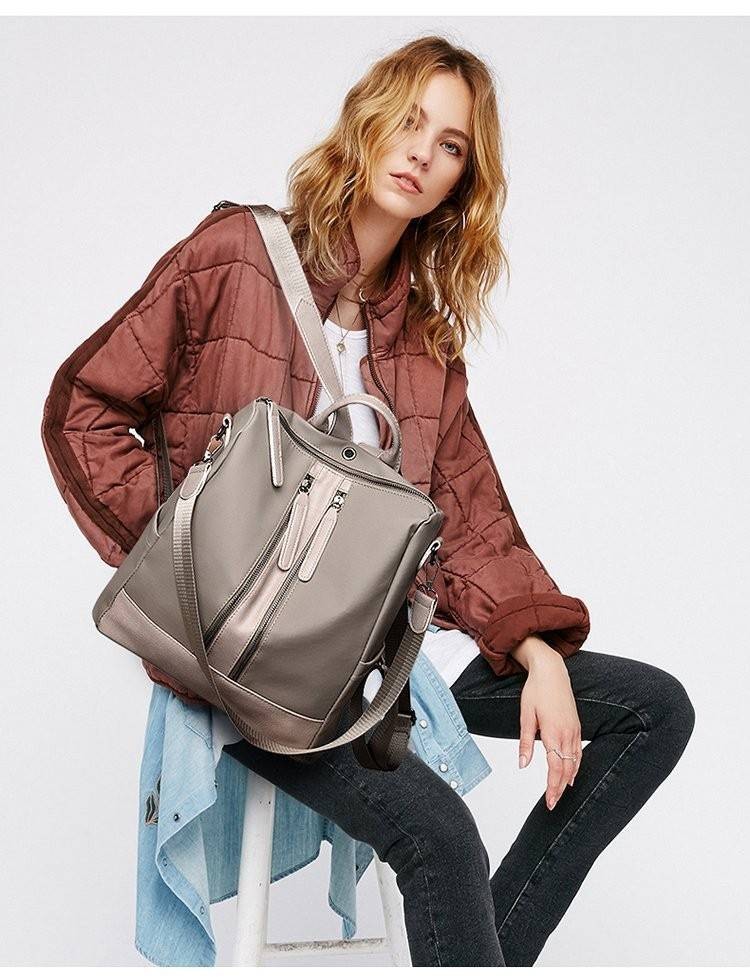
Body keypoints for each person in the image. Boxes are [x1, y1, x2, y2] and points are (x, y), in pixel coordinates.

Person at [41, 35, 695, 967]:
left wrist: (539, 651)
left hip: (377, 661)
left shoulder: (423, 343)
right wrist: (189, 560)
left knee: (654, 709)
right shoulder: (234, 256)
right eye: (410, 121)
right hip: (251, 669)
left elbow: (471, 515)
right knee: (440, 836)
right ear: (368, 121)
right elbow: (86, 409)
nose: (422, 151)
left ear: (462, 182)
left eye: (451, 144)